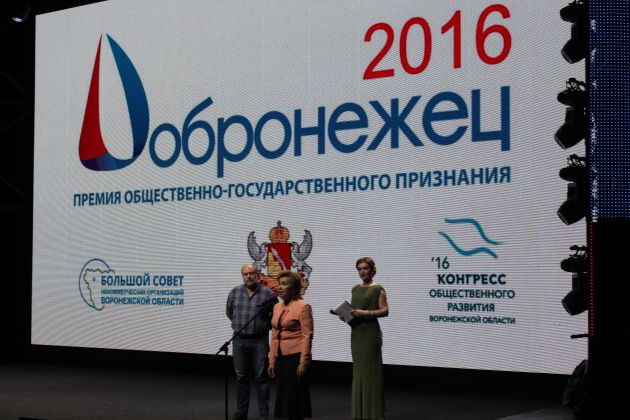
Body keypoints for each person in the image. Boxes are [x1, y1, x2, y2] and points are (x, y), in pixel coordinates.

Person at [226, 263, 278, 420]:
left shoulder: (269, 294)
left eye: (252, 273)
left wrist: (263, 326)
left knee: (261, 377)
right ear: (242, 276)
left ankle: (264, 412)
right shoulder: (235, 292)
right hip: (239, 339)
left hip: (259, 340)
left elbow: (276, 317)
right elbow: (229, 312)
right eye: (245, 274)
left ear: (258, 274)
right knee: (241, 377)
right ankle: (241, 412)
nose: (249, 276)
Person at [268, 271, 314, 420]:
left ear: (293, 288)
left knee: (295, 400)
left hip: (295, 357)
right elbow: (274, 335)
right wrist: (272, 361)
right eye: (279, 284)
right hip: (280, 357)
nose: (280, 287)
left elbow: (307, 336)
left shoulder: (303, 306)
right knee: (284, 398)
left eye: (284, 284)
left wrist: (303, 362)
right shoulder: (277, 306)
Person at [349, 257, 389, 420]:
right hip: (356, 333)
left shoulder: (378, 289)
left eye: (365, 268)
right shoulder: (355, 289)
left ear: (372, 270)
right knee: (358, 373)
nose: (362, 272)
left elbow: (385, 311)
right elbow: (353, 311)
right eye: (359, 269)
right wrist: (346, 316)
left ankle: (373, 413)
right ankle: (360, 413)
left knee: (370, 374)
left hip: (370, 334)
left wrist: (365, 313)